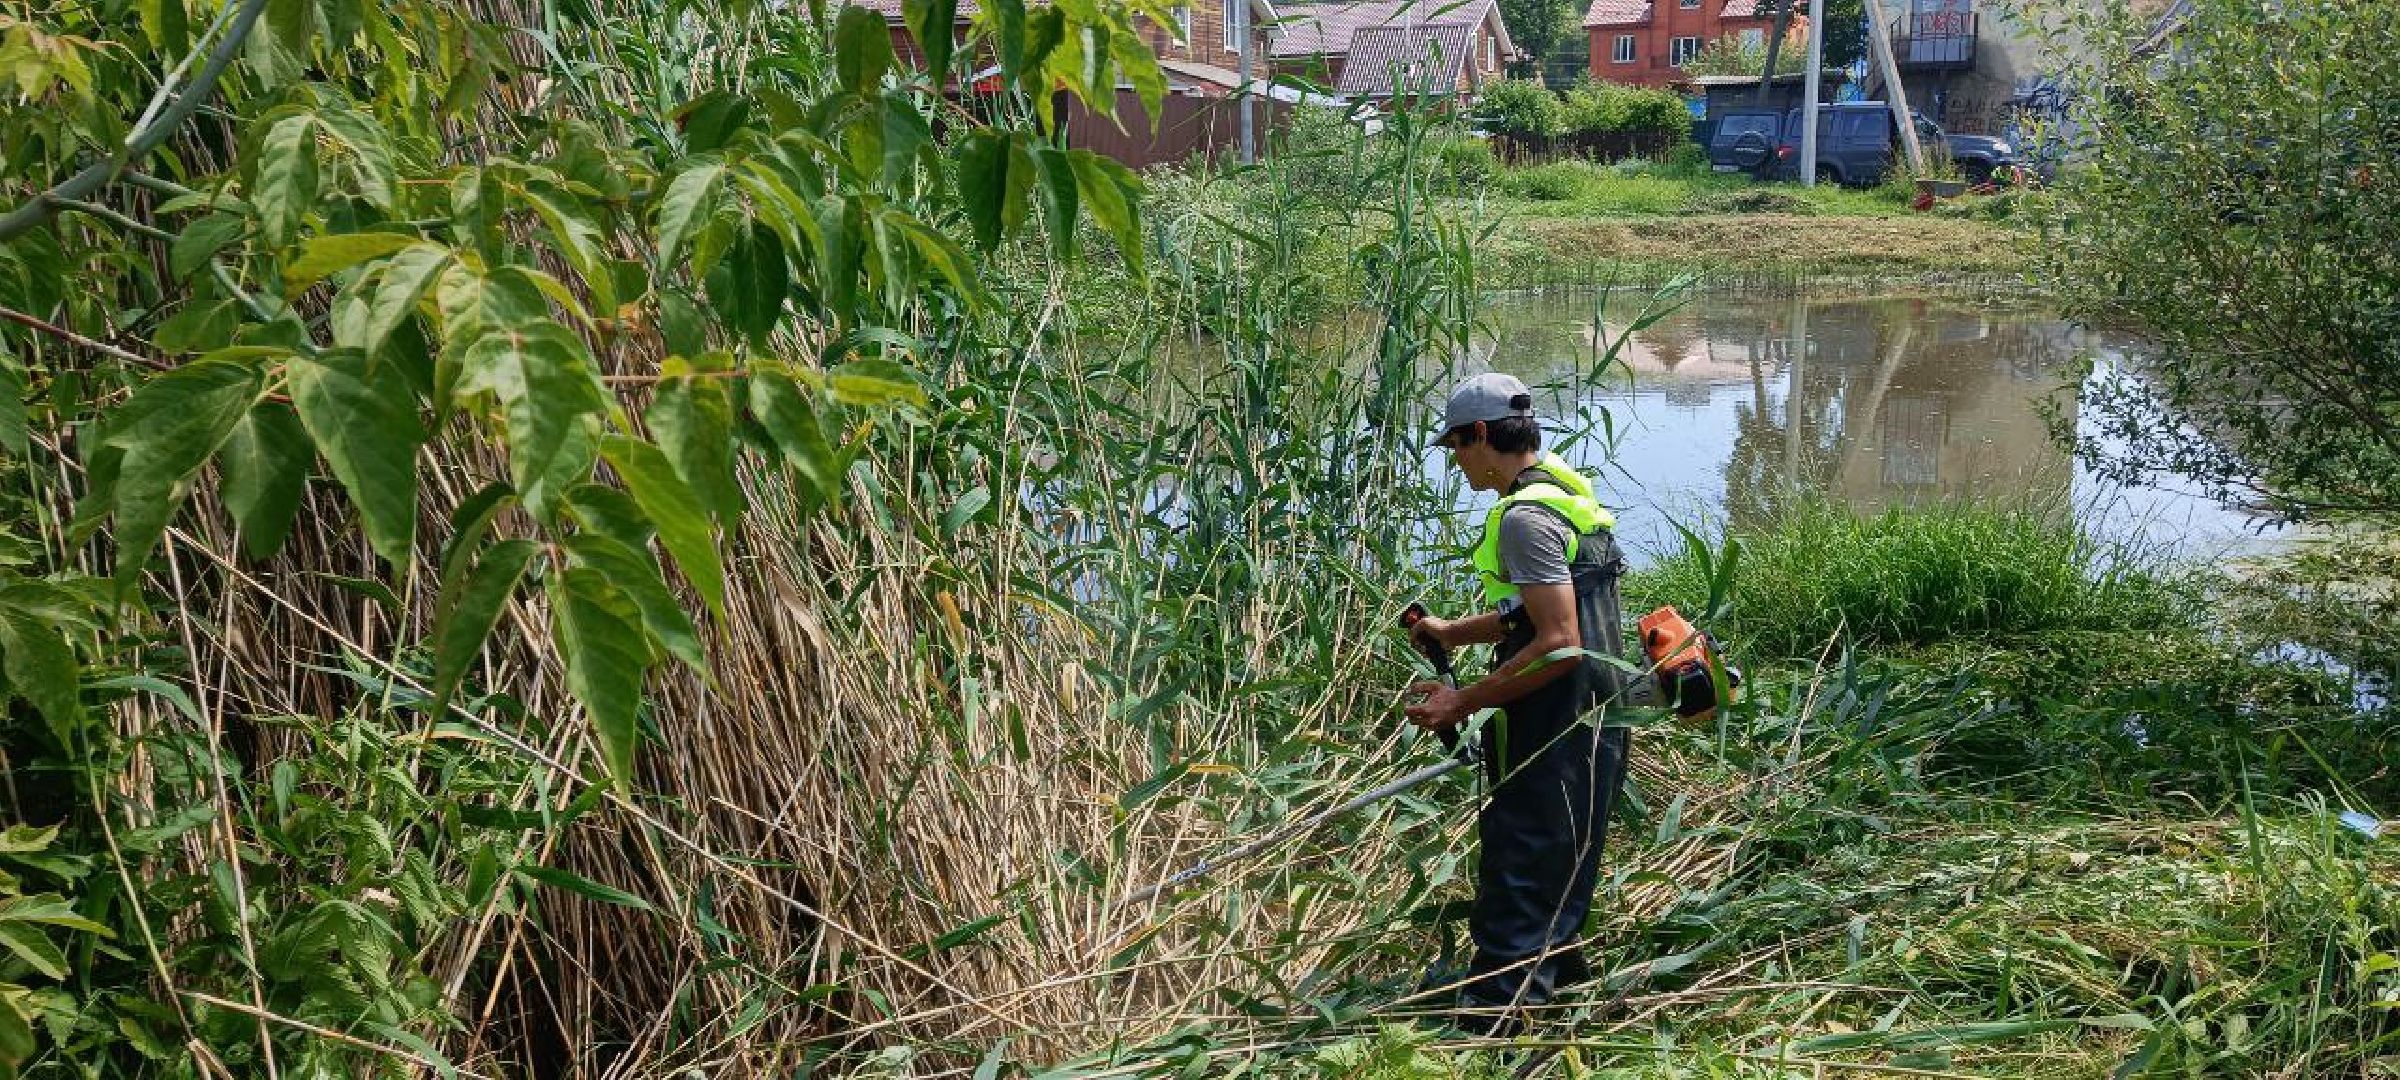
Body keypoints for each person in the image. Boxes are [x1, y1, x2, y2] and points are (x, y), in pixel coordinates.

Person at [1404, 372, 1634, 1035]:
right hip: (1598, 717)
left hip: (1558, 725)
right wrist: (1453, 631)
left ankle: (1494, 1025)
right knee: (1563, 861)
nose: (1457, 461)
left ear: (1482, 435)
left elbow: (1560, 643)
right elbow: (1537, 613)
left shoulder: (1523, 519)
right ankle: (1555, 993)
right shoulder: (1561, 492)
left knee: (1523, 864)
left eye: (1457, 446)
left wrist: (1461, 701)